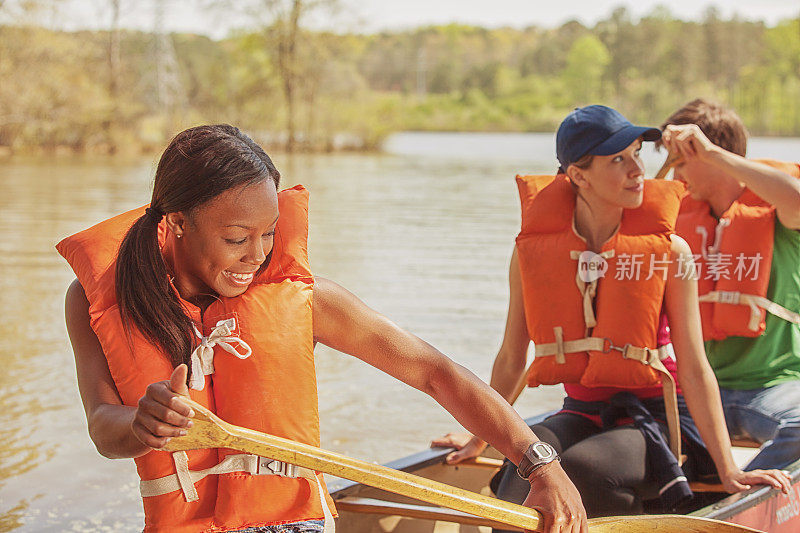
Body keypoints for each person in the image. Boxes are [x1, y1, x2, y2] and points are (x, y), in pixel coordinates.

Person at [59, 124, 586, 533]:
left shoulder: (303, 297)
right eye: (237, 237)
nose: (258, 256)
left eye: (268, 234)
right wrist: (139, 426)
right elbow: (105, 427)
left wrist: (540, 464)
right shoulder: (93, 299)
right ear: (174, 222)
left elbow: (434, 372)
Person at [432, 105, 790, 525]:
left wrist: (729, 469)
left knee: (586, 471)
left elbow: (695, 368)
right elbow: (513, 358)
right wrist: (480, 437)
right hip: (581, 410)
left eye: (638, 153)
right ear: (578, 176)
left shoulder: (671, 252)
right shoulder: (532, 251)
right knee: (522, 468)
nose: (638, 169)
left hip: (658, 421)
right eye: (618, 159)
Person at [660, 98, 800, 470]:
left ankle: (734, 503)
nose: (675, 176)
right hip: (701, 390)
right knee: (631, 432)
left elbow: (798, 199)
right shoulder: (680, 220)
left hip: (776, 386)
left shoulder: (777, 210)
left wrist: (710, 153)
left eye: (681, 161)